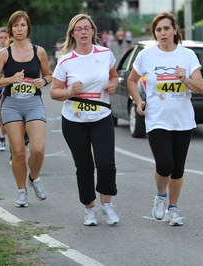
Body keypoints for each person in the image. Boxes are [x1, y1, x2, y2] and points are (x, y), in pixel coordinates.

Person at [127, 12, 203, 226]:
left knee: (178, 168)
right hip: (157, 119)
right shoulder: (146, 56)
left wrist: (186, 79)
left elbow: (201, 87)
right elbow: (132, 81)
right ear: (155, 33)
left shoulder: (187, 56)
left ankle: (173, 209)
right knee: (164, 163)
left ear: (175, 30)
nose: (162, 33)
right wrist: (138, 101)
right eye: (158, 30)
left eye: (166, 28)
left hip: (183, 120)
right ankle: (160, 196)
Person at [50, 13, 119, 226]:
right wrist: (70, 91)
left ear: (92, 31)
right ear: (73, 33)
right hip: (74, 121)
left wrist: (113, 84)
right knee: (84, 166)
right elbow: (54, 92)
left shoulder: (105, 53)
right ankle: (89, 209)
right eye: (78, 29)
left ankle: (106, 205)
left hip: (101, 117)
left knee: (106, 163)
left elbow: (114, 76)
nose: (83, 32)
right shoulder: (66, 60)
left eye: (86, 28)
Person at [0, 10, 52, 208]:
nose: (19, 29)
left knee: (38, 149)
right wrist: (10, 79)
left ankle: (34, 178)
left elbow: (49, 75)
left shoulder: (39, 51)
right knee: (19, 152)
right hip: (11, 105)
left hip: (33, 103)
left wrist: (43, 80)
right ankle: (21, 191)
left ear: (28, 27)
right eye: (16, 26)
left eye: (23, 25)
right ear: (11, 29)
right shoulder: (5, 53)